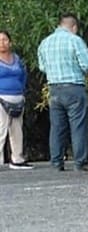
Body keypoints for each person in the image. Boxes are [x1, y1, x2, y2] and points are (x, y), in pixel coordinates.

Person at [38, 13, 88, 171]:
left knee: (57, 127)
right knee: (78, 126)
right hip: (74, 88)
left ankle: (57, 162)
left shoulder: (45, 43)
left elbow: (42, 67)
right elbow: (87, 64)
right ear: (74, 27)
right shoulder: (75, 40)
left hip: (54, 89)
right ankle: (80, 162)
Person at [0, 30, 33, 170]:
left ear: (10, 42)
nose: (2, 43)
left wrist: (22, 92)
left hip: (18, 97)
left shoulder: (17, 58)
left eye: (5, 40)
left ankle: (17, 159)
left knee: (17, 130)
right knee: (1, 129)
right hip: (1, 97)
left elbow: (23, 75)